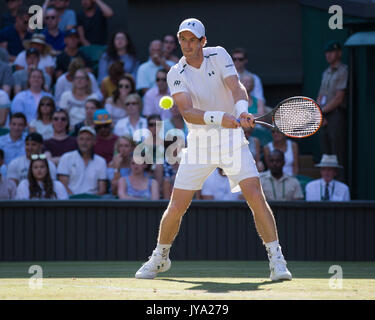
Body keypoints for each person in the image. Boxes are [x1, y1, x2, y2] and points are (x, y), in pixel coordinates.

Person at [135, 18, 292, 281]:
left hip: (231, 139)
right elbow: (187, 112)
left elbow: (236, 87)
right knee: (177, 205)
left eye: (192, 39)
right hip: (199, 143)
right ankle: (160, 257)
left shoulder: (219, 55)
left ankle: (277, 259)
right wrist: (220, 117)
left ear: (202, 41)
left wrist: (241, 111)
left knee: (255, 194)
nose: (187, 44)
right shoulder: (175, 72)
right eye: (182, 39)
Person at [317, 41, 348, 179]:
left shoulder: (343, 71)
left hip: (336, 115)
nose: (329, 55)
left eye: (332, 52)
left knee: (337, 151)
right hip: (323, 116)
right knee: (325, 150)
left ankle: (339, 181)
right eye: (327, 53)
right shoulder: (326, 72)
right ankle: (325, 182)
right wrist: (318, 112)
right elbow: (321, 95)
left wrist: (322, 111)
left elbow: (338, 98)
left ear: (339, 53)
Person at [57, 126, 107, 196]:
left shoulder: (101, 161)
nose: (84, 142)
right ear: (77, 140)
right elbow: (63, 186)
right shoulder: (66, 158)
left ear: (94, 142)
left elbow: (102, 189)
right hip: (70, 200)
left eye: (88, 139)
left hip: (93, 201)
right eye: (81, 139)